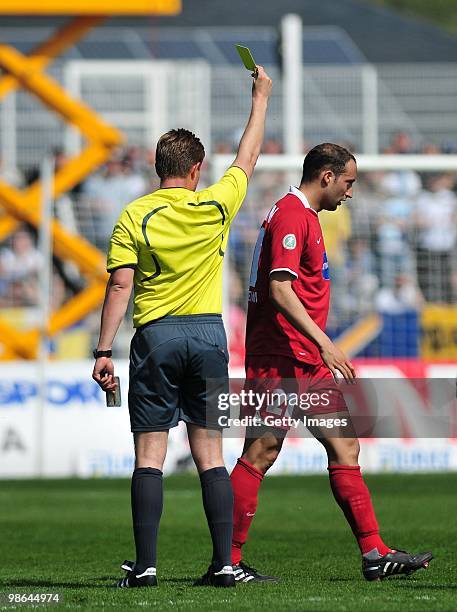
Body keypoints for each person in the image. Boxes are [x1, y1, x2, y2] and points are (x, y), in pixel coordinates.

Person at [92, 66, 272, 589]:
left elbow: (120, 287)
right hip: (210, 337)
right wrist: (259, 98)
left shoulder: (135, 214)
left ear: (157, 168)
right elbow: (249, 157)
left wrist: (104, 349)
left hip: (157, 336)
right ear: (196, 168)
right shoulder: (215, 204)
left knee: (150, 455)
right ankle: (224, 564)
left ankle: (146, 566)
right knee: (211, 454)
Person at [230, 143, 433, 583]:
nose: (350, 192)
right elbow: (280, 289)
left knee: (346, 447)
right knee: (261, 452)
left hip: (306, 359)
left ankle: (374, 552)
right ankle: (228, 561)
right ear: (326, 176)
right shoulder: (290, 214)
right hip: (281, 357)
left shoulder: (306, 218)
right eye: (348, 182)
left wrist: (318, 348)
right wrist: (325, 343)